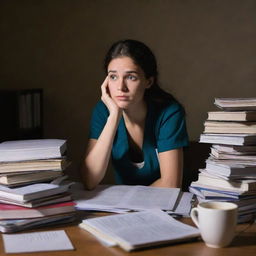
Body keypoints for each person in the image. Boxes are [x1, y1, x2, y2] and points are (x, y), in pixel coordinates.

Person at [81, 39, 189, 190]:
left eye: (131, 77)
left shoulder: (169, 113)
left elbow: (170, 185)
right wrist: (114, 117)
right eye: (113, 77)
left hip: (164, 206)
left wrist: (131, 203)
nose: (120, 87)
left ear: (148, 81)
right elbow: (89, 180)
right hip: (124, 209)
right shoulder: (103, 111)